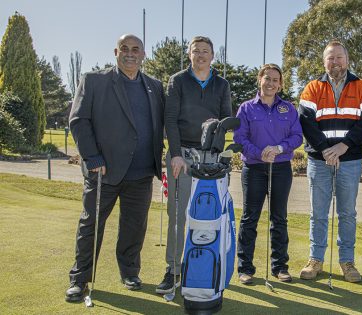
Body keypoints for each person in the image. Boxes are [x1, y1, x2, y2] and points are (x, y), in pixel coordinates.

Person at [65, 34, 165, 302]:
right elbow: (78, 121)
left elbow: (162, 125)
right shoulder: (94, 81)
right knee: (91, 225)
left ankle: (130, 272)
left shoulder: (155, 86)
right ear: (116, 52)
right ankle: (80, 279)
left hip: (142, 173)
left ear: (143, 54)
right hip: (103, 172)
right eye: (124, 49)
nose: (130, 53)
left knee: (134, 227)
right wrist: (92, 157)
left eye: (135, 49)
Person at [298, 40, 362, 283]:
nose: (335, 62)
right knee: (318, 214)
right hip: (319, 161)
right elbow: (306, 122)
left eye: (339, 57)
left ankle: (347, 262)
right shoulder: (312, 88)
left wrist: (343, 146)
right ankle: (315, 260)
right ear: (324, 62)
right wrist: (325, 150)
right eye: (330, 58)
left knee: (347, 214)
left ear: (347, 60)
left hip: (350, 160)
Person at [157, 36, 232, 294]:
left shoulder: (222, 84)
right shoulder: (177, 80)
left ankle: (209, 265)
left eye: (205, 51)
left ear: (213, 56)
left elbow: (224, 121)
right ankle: (173, 270)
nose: (201, 55)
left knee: (209, 214)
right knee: (178, 214)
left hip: (210, 157)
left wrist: (216, 149)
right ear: (189, 55)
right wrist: (175, 154)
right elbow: (170, 118)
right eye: (196, 51)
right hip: (182, 156)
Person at [233, 64, 303, 284]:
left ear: (280, 84)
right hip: (254, 168)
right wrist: (259, 154)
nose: (271, 83)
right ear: (259, 80)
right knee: (249, 218)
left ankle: (280, 267)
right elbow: (239, 139)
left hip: (281, 168)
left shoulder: (289, 109)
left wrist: (279, 149)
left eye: (275, 80)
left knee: (279, 218)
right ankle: (245, 268)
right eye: (267, 79)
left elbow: (297, 136)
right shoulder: (246, 108)